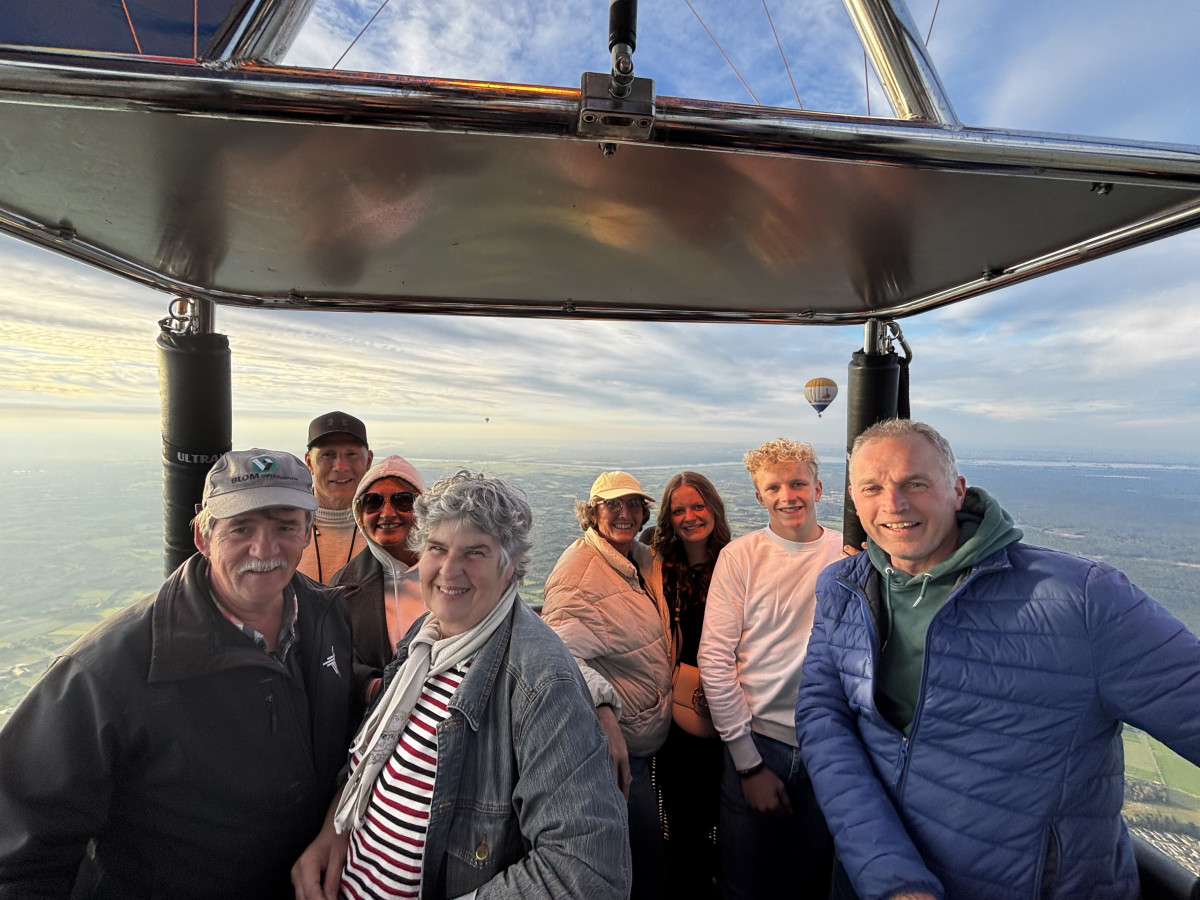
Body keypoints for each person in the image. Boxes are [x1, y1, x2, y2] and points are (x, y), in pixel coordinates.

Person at [796, 419, 1200, 900]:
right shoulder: (843, 587)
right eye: (872, 488)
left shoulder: (1082, 599)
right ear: (854, 498)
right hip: (868, 881)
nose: (893, 504)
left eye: (915, 483)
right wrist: (888, 875)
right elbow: (824, 720)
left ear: (957, 490)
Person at [0, 449, 357, 899]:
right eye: (241, 529)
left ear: (308, 532)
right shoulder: (105, 673)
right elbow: (20, 858)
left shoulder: (326, 616)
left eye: (285, 527)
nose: (264, 549)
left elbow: (332, 701)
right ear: (203, 537)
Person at [292, 470, 630, 900]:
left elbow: (588, 874)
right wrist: (333, 833)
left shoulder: (541, 686)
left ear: (509, 568)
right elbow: (374, 755)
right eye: (437, 548)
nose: (449, 570)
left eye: (475, 552)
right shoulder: (425, 638)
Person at [698, 438, 842, 900]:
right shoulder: (741, 557)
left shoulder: (849, 555)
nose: (788, 496)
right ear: (759, 497)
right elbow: (715, 659)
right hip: (759, 740)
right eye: (774, 487)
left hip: (831, 744)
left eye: (797, 483)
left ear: (818, 488)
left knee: (811, 881)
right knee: (744, 884)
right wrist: (748, 764)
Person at [542, 471, 672, 900]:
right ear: (593, 513)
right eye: (612, 505)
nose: (624, 513)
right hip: (620, 748)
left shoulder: (640, 559)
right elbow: (560, 654)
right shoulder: (578, 573)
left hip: (652, 736)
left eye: (633, 504)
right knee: (641, 857)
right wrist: (603, 710)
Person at [650, 472, 731, 899]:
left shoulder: (736, 561)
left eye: (698, 506)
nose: (690, 517)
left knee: (725, 807)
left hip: (730, 703)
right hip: (678, 707)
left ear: (713, 509)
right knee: (681, 810)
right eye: (678, 510)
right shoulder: (655, 564)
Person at [331, 454, 428, 703]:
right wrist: (373, 688)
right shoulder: (341, 588)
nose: (387, 513)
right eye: (372, 502)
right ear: (359, 514)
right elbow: (333, 663)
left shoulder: (455, 573)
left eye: (403, 501)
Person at [300, 410, 374, 583]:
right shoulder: (284, 525)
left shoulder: (386, 524)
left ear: (368, 461)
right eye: (327, 455)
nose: (340, 466)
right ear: (309, 462)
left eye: (351, 454)